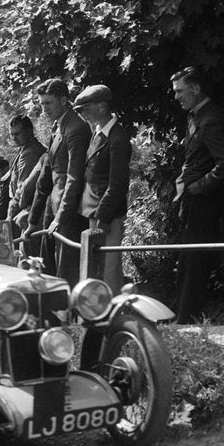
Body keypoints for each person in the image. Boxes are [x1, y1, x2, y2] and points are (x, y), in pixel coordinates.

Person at [171, 67, 224, 322]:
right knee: (188, 258)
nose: (177, 97)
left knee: (195, 259)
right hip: (192, 202)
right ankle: (183, 316)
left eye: (180, 91)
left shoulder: (210, 119)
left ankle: (188, 320)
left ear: (195, 88)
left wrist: (198, 187)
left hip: (204, 201)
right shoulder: (195, 116)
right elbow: (194, 159)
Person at [26, 79, 91, 286]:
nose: (44, 109)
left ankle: (68, 314)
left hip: (69, 211)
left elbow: (74, 177)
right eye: (42, 104)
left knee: (67, 271)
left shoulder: (76, 127)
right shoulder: (58, 126)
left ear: (64, 100)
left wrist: (61, 217)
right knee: (46, 266)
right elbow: (46, 177)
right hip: (51, 207)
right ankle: (50, 312)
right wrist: (32, 221)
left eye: (49, 103)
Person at [73, 84, 132, 292]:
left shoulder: (117, 137)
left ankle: (109, 314)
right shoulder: (98, 133)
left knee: (107, 269)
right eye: (80, 110)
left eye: (86, 108)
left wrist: (103, 217)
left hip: (106, 215)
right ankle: (106, 313)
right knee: (99, 268)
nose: (83, 114)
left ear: (102, 106)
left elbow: (117, 184)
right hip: (94, 210)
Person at [9, 114, 48, 252]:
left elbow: (24, 189)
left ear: (29, 131)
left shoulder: (30, 152)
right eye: (12, 134)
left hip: (28, 213)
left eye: (18, 133)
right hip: (30, 212)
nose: (14, 137)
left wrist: (13, 212)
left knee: (27, 259)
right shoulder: (26, 148)